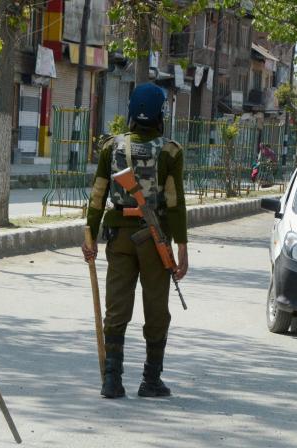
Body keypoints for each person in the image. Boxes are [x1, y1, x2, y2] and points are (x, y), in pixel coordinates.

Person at [82, 83, 188, 399]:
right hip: (155, 241)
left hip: (119, 238)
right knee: (156, 309)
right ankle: (151, 380)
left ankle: (111, 380)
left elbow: (98, 194)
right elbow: (175, 202)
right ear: (160, 115)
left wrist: (90, 235)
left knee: (116, 307)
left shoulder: (111, 146)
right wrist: (181, 246)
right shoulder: (170, 152)